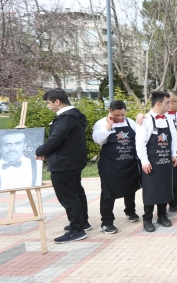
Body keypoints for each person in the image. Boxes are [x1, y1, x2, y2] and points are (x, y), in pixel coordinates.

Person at [35, 89, 89, 243]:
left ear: (57, 102)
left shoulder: (65, 118)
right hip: (72, 162)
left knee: (68, 197)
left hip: (64, 164)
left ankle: (77, 229)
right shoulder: (74, 116)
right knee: (76, 193)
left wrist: (39, 151)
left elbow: (55, 140)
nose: (48, 106)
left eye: (49, 103)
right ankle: (82, 222)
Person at [92, 100, 140, 234]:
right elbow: (98, 139)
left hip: (129, 163)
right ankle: (106, 222)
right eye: (116, 115)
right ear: (110, 111)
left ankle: (130, 211)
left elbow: (142, 136)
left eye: (122, 115)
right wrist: (109, 125)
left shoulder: (130, 122)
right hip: (110, 165)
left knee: (130, 188)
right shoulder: (101, 123)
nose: (120, 118)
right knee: (108, 193)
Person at [135, 91, 177, 232]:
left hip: (166, 161)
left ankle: (162, 216)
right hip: (151, 162)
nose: (169, 105)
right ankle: (147, 219)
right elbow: (140, 143)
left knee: (165, 189)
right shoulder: (145, 120)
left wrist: (174, 154)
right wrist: (144, 162)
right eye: (167, 102)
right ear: (159, 103)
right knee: (151, 191)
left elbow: (173, 138)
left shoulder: (168, 119)